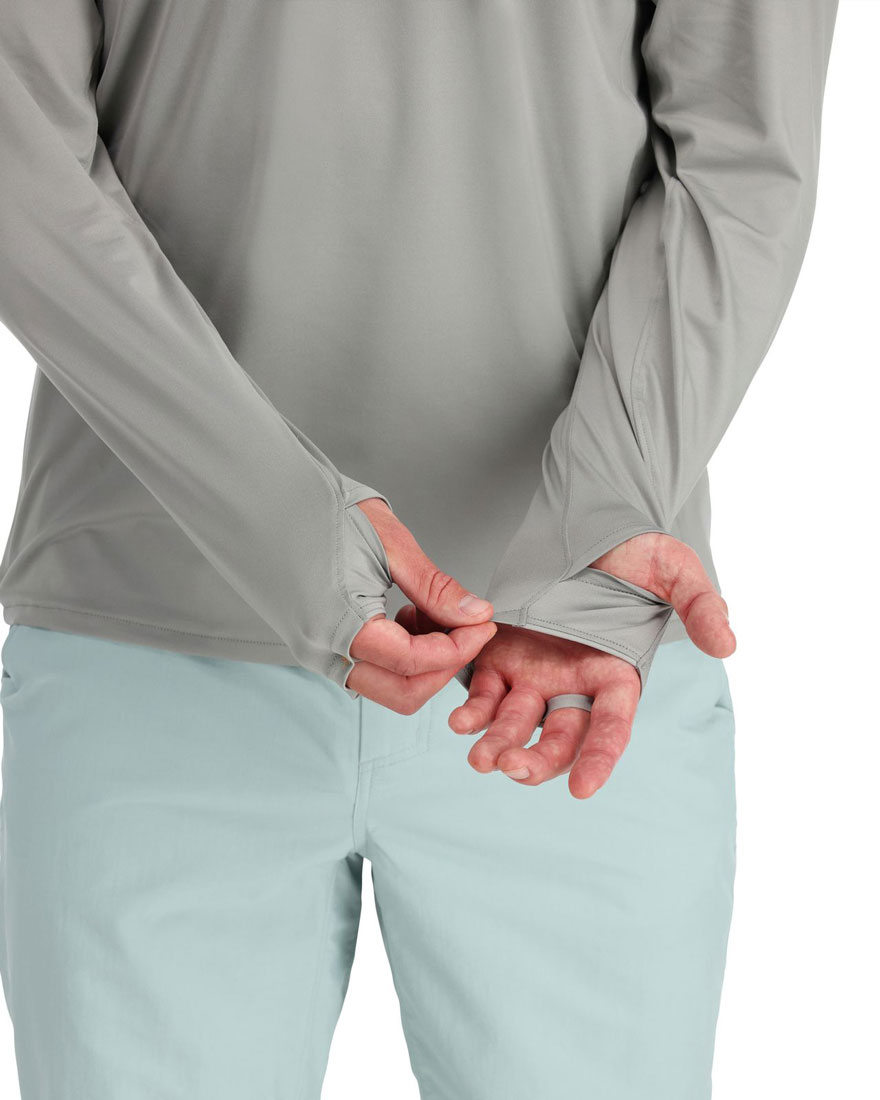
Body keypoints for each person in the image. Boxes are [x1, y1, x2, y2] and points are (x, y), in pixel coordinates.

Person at [0, 1, 838, 1097]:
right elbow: (19, 147)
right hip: (152, 642)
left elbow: (738, 149)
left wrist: (602, 507)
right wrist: (284, 524)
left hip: (575, 653)